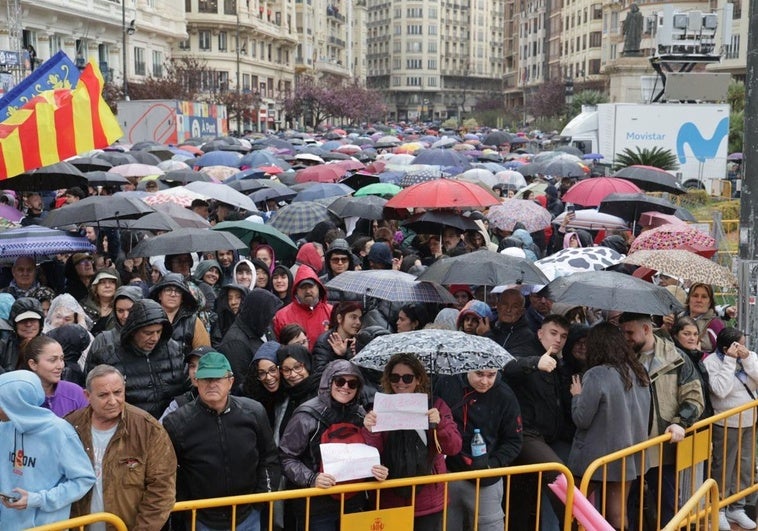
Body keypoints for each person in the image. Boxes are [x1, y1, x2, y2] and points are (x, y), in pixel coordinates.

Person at [164, 351, 281, 531]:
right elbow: (168, 471)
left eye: (217, 378)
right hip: (201, 518)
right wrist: (186, 507)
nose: (212, 384)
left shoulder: (254, 412)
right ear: (196, 381)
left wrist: (262, 497)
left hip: (248, 514)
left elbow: (269, 457)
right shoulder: (177, 422)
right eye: (206, 379)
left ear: (230, 381)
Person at [279, 359, 389, 531]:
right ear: (328, 382)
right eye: (340, 381)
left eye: (352, 383)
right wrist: (311, 479)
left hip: (354, 504)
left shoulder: (361, 415)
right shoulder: (305, 415)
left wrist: (377, 470)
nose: (345, 387)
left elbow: (368, 453)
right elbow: (286, 457)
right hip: (316, 506)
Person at [618, 312, 705, 528]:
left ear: (646, 329)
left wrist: (680, 422)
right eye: (623, 332)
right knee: (626, 505)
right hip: (629, 446)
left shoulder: (677, 358)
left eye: (629, 332)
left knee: (668, 504)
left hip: (663, 447)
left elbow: (694, 397)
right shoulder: (620, 358)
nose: (625, 337)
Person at [66, 365, 177, 529]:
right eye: (103, 395)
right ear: (87, 396)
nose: (112, 401)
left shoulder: (148, 429)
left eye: (118, 392)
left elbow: (162, 490)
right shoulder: (70, 426)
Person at [363, 353, 463, 530]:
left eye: (407, 378)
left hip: (428, 501)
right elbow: (371, 454)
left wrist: (439, 425)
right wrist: (370, 431)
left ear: (418, 379)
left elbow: (453, 447)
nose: (400, 383)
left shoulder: (436, 406)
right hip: (389, 499)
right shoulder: (378, 409)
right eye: (395, 377)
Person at [568, 322, 651, 530]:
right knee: (618, 515)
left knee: (572, 509)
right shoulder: (639, 371)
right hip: (628, 455)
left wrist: (576, 396)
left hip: (594, 459)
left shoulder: (596, 374)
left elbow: (581, 419)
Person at [503, 314, 573, 530]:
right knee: (558, 474)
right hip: (525, 433)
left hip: (545, 436)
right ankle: (573, 524)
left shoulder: (558, 362)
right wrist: (535, 363)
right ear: (540, 332)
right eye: (553, 333)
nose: (558, 339)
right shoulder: (526, 349)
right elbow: (508, 366)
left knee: (523, 501)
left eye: (563, 336)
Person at [0, 370, 96, 529]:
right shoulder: (5, 427)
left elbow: (83, 479)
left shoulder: (59, 432)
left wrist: (37, 499)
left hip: (46, 526)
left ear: (16, 403)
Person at [435, 366, 523, 531]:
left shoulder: (505, 395)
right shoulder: (446, 383)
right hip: (448, 474)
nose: (484, 381)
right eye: (479, 374)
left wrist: (492, 465)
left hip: (486, 479)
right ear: (468, 369)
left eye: (491, 375)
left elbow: (514, 441)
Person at [84, 299, 188, 419]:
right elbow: (92, 395)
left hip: (170, 425)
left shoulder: (174, 350)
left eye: (158, 332)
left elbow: (187, 391)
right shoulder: (107, 354)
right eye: (148, 333)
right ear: (133, 331)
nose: (155, 338)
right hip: (127, 426)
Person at [704, 328, 758, 531]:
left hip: (749, 420)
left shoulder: (749, 356)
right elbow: (720, 390)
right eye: (739, 344)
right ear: (727, 347)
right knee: (723, 467)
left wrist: (747, 360)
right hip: (725, 422)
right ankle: (718, 509)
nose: (744, 347)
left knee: (744, 466)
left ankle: (738, 506)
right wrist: (729, 361)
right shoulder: (711, 362)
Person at [218, 288, 282, 390]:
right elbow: (240, 386)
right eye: (269, 314)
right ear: (259, 313)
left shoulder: (263, 326)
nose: (273, 318)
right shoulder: (235, 343)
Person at [24, 335, 88, 417]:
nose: (60, 366)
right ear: (33, 364)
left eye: (61, 359)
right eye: (52, 360)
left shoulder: (75, 393)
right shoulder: (19, 397)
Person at [149, 273, 211, 357]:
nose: (173, 294)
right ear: (160, 295)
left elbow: (205, 355)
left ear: (182, 298)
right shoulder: (149, 318)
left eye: (178, 291)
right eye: (168, 290)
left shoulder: (193, 322)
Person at [272, 266, 333, 350]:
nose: (307, 291)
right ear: (296, 290)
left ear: (318, 287)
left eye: (310, 286)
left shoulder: (331, 312)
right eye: (303, 287)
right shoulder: (281, 316)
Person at [312, 301, 363, 380]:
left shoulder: (359, 340)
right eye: (353, 317)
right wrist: (340, 356)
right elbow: (319, 374)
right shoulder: (324, 342)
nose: (358, 322)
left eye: (360, 318)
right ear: (339, 318)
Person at [0, 297, 45, 373]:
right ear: (14, 324)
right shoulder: (4, 345)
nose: (28, 324)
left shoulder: (50, 345)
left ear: (40, 323)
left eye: (33, 320)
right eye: (23, 320)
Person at [679, 282, 725, 354]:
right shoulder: (679, 318)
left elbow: (721, 355)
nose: (699, 300)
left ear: (710, 302)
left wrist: (700, 355)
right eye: (695, 296)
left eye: (704, 297)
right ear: (689, 299)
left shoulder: (715, 324)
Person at [486, 288, 535, 353]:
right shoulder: (488, 326)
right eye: (505, 304)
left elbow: (507, 360)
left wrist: (486, 335)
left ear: (522, 311)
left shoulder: (526, 336)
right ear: (497, 306)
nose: (508, 310)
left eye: (515, 306)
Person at [81, 267, 121, 335]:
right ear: (95, 287)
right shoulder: (83, 306)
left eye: (112, 282)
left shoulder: (122, 307)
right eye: (102, 283)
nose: (107, 286)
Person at [210, 283, 248, 348]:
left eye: (238, 297)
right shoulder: (222, 320)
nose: (233, 302)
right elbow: (216, 344)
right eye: (230, 298)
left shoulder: (252, 320)